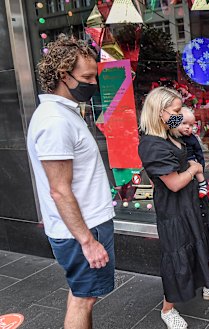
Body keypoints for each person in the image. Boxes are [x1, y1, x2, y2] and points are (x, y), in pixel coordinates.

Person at [26, 34, 115, 329]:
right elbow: (59, 190)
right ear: (64, 75)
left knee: (82, 292)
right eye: (87, 76)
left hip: (85, 225)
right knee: (84, 298)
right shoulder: (55, 121)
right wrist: (88, 242)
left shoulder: (62, 114)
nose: (93, 82)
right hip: (83, 229)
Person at [138, 87, 209, 329]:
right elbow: (172, 183)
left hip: (192, 203)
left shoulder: (171, 135)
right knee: (177, 256)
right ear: (160, 113)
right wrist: (193, 170)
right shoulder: (152, 144)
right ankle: (167, 309)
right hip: (174, 211)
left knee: (205, 242)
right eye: (177, 111)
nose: (181, 115)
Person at [177, 107, 207, 198]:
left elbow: (198, 151)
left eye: (190, 125)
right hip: (179, 161)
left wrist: (201, 164)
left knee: (197, 170)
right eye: (184, 123)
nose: (187, 127)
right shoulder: (174, 137)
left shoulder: (192, 138)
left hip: (190, 159)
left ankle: (202, 185)